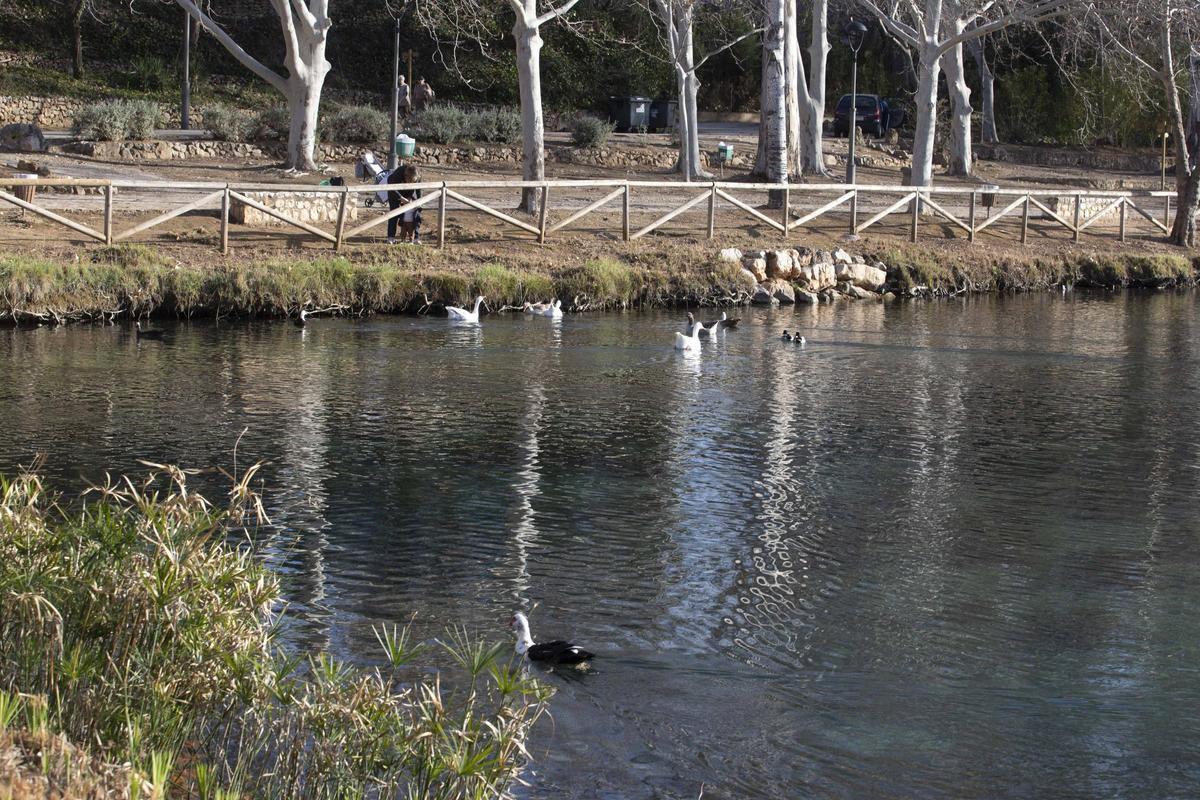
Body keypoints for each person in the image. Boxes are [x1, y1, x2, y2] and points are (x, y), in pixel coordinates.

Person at [398, 165, 423, 244]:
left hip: (412, 222)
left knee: (411, 231)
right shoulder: (403, 204)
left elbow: (419, 190)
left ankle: (413, 240)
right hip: (404, 222)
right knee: (403, 232)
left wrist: (419, 202)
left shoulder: (418, 178)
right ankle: (403, 240)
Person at [386, 163, 408, 243]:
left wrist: (419, 201)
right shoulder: (398, 173)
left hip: (407, 192)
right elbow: (390, 184)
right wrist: (401, 198)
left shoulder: (417, 176)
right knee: (394, 213)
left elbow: (418, 190)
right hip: (394, 192)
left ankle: (406, 238)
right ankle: (391, 237)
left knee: (408, 215)